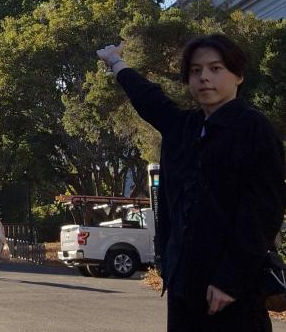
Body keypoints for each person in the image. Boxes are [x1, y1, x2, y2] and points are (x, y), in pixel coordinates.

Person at [97, 34, 285, 331]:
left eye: (215, 68)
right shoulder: (184, 126)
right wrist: (115, 61)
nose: (204, 78)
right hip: (184, 282)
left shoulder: (254, 128)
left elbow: (263, 213)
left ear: (239, 75)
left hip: (232, 290)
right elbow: (148, 98)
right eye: (196, 71)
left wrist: (229, 281)